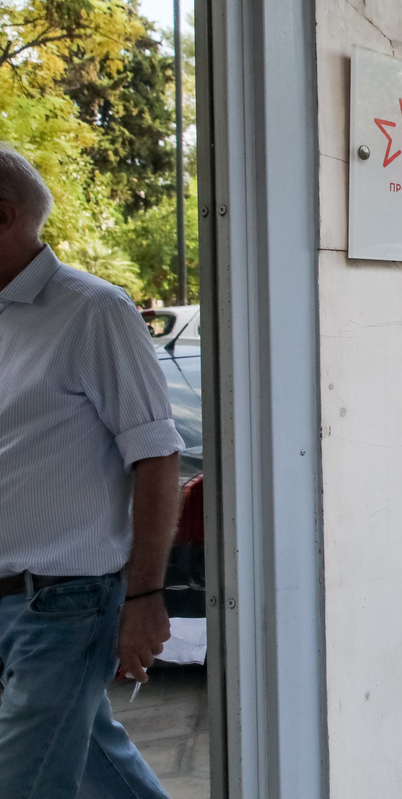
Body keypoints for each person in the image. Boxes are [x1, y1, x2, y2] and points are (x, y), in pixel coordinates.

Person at [0, 143, 184, 797]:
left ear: (3, 215)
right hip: (10, 600)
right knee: (97, 765)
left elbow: (157, 456)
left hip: (63, 605)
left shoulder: (93, 311)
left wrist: (144, 596)